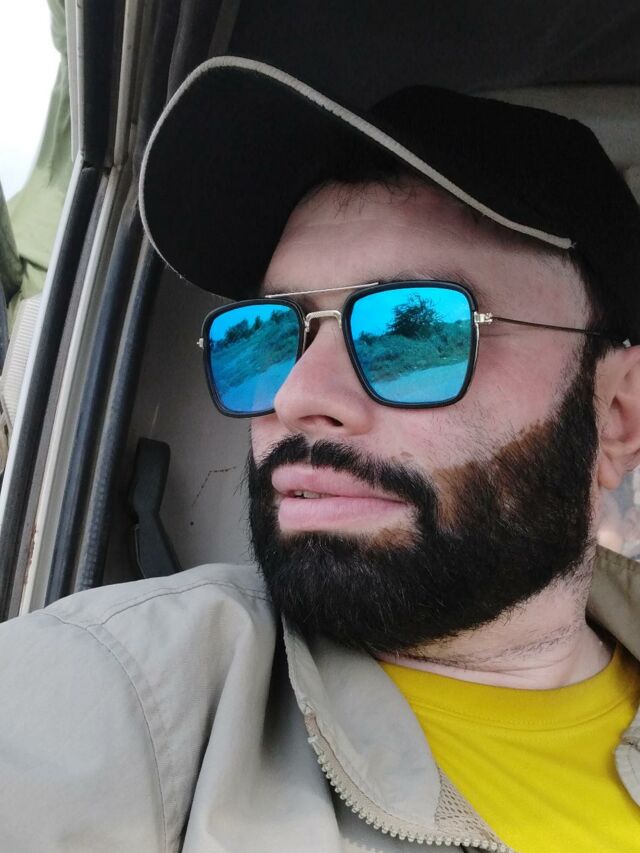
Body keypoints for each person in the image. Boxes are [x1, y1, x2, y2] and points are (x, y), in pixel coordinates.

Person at [2, 56, 640, 853]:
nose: (297, 393)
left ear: (617, 414)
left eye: (418, 331)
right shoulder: (122, 697)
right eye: (270, 334)